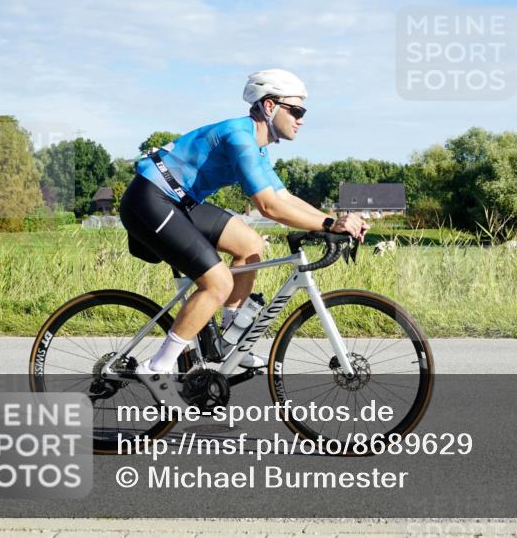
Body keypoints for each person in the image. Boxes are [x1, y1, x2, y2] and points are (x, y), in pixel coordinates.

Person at [119, 69, 368, 377]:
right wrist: (330, 224)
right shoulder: (239, 137)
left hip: (180, 201)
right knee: (218, 282)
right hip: (149, 199)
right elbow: (268, 206)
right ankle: (157, 366)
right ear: (269, 106)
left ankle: (228, 343)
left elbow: (284, 196)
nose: (301, 119)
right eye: (297, 110)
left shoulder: (258, 146)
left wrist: (333, 221)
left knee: (250, 244)